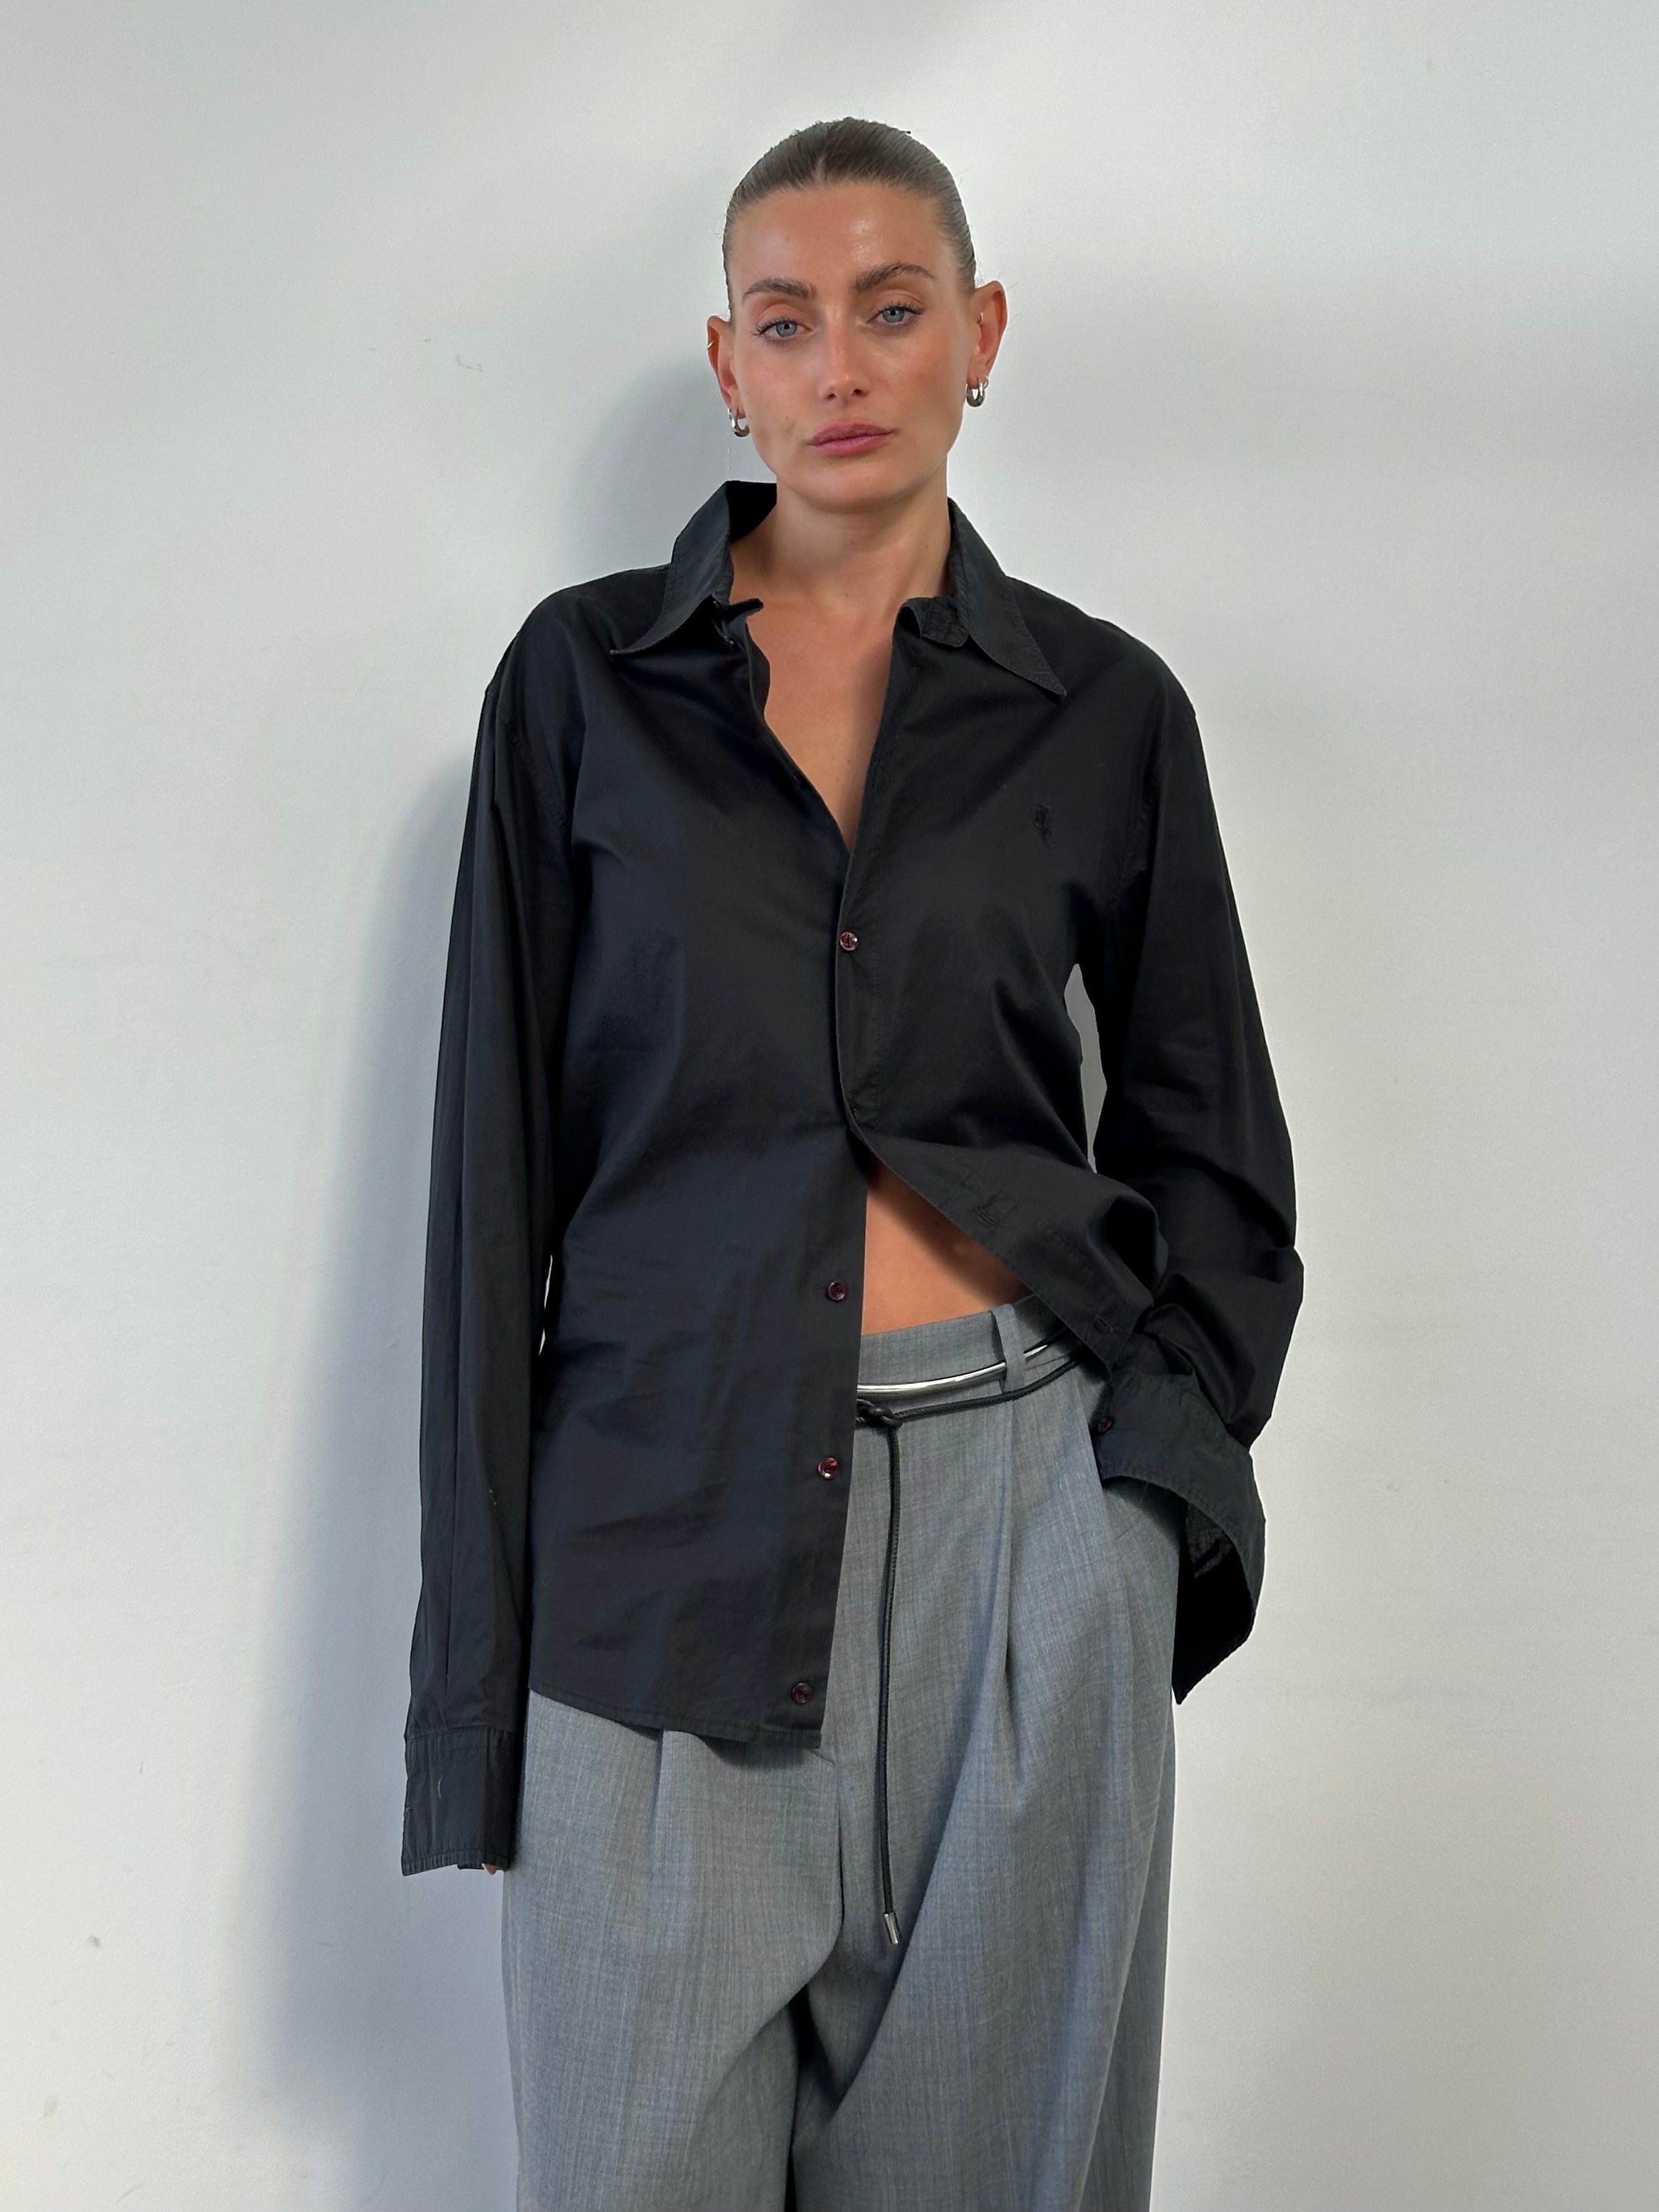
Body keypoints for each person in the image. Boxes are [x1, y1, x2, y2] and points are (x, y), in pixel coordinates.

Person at [401, 114, 1302, 2212]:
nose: (843, 366)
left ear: (981, 334)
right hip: (660, 1549)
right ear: (729, 365)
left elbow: (1218, 1153)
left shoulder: (1105, 709)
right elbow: (487, 1215)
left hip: (1030, 1535)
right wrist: (477, 1704)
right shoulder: (579, 692)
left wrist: (1136, 1524)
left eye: (893, 311)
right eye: (788, 322)